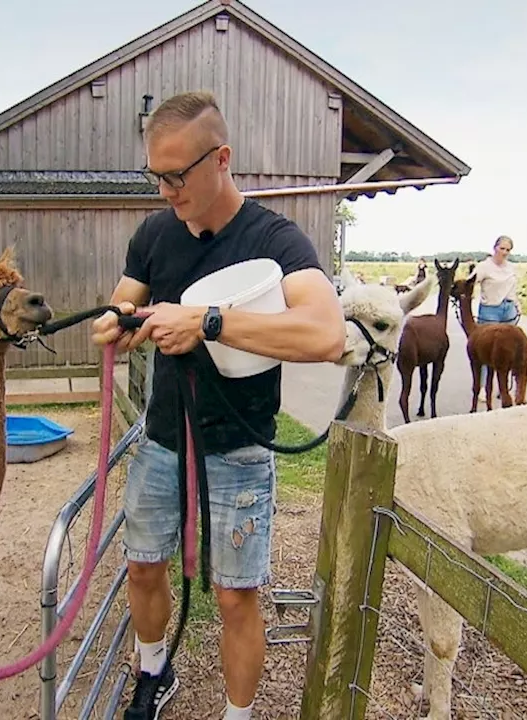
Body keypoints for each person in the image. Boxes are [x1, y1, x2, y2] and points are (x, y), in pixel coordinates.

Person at [89, 91, 347, 720]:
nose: (165, 191)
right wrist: (115, 322)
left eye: (177, 175)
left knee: (236, 597)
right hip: (162, 440)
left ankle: (238, 715)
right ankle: (155, 671)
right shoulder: (155, 233)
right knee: (143, 567)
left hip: (238, 448)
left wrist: (209, 322)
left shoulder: (274, 238)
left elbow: (325, 334)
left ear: (222, 158)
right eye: (157, 175)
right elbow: (124, 301)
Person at [470, 235, 521, 325]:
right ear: (495, 248)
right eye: (502, 248)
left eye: (508, 250)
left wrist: (517, 305)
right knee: (488, 338)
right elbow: (468, 283)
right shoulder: (484, 266)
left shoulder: (511, 267)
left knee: (509, 339)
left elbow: (512, 289)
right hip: (490, 310)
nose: (504, 252)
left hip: (509, 310)